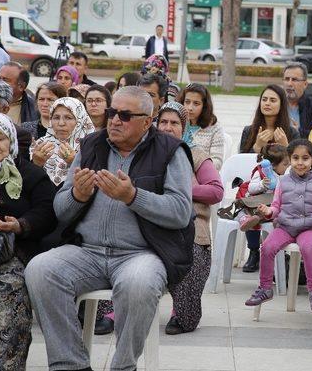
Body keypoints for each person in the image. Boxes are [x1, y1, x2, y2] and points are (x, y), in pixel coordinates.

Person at [24, 86, 195, 371]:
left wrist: (133, 197)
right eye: (112, 112)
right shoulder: (92, 145)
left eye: (125, 115)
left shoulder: (170, 151)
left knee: (139, 284)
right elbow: (61, 210)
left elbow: (180, 212)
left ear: (146, 121)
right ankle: (71, 364)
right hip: (88, 252)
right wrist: (77, 195)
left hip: (141, 254)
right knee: (40, 270)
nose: (115, 120)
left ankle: (123, 365)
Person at [0, 112, 56, 370]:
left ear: (11, 141)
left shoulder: (30, 174)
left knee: (9, 291)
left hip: (15, 255)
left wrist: (19, 224)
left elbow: (48, 211)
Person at [155, 101, 224, 335]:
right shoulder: (145, 152)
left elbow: (216, 192)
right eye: (163, 121)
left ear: (184, 127)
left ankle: (182, 313)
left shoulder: (195, 154)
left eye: (174, 123)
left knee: (190, 254)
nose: (167, 127)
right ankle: (111, 311)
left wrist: (180, 188)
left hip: (190, 225)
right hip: (151, 223)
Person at [245, 139, 312, 311]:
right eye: (295, 158)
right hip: (285, 227)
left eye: (305, 158)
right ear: (290, 159)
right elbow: (277, 207)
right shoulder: (283, 182)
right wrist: (268, 211)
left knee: (308, 249)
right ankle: (265, 288)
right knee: (268, 247)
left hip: (310, 227)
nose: (300, 163)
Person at [236, 144, 290, 273]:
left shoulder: (285, 174)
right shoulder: (260, 172)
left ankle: (280, 252)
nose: (287, 167)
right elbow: (251, 188)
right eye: (285, 164)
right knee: (247, 217)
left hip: (273, 208)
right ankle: (254, 251)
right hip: (256, 205)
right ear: (272, 165)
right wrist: (262, 184)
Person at [30, 97, 95, 187]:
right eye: (56, 117)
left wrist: (75, 162)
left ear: (80, 120)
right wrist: (35, 164)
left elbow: (94, 183)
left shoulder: (92, 147)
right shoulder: (40, 145)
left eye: (68, 118)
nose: (61, 123)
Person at [240, 84, 300, 153]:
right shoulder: (248, 131)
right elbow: (241, 161)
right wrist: (257, 147)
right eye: (264, 100)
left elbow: (297, 162)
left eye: (273, 100)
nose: (267, 103)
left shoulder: (292, 133)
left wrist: (285, 147)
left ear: (281, 105)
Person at [179, 83, 225, 170]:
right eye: (187, 102)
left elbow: (217, 162)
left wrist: (194, 165)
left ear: (204, 106)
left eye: (196, 103)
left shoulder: (215, 128)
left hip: (202, 176)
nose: (190, 108)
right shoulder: (176, 123)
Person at [282, 62, 312, 138]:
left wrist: (298, 132)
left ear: (305, 84)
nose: (289, 84)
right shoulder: (275, 105)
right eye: (286, 79)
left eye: (294, 80)